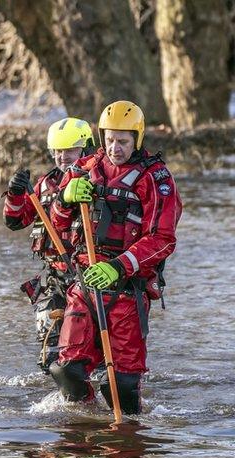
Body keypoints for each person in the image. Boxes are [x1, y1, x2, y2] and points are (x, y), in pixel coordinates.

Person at [49, 101, 182, 414]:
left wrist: (118, 266)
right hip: (84, 282)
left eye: (122, 141)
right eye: (109, 140)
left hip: (126, 289)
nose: (114, 148)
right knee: (67, 371)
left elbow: (163, 240)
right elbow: (57, 224)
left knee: (120, 386)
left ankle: (128, 440)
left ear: (136, 138)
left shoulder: (155, 178)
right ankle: (85, 431)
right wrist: (65, 199)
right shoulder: (83, 170)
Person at [3, 117, 95, 375]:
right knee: (49, 354)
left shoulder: (98, 179)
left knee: (88, 348)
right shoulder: (46, 184)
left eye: (68, 150)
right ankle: (59, 401)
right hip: (53, 277)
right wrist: (14, 194)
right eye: (57, 151)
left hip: (88, 277)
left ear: (85, 148)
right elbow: (15, 220)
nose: (61, 157)